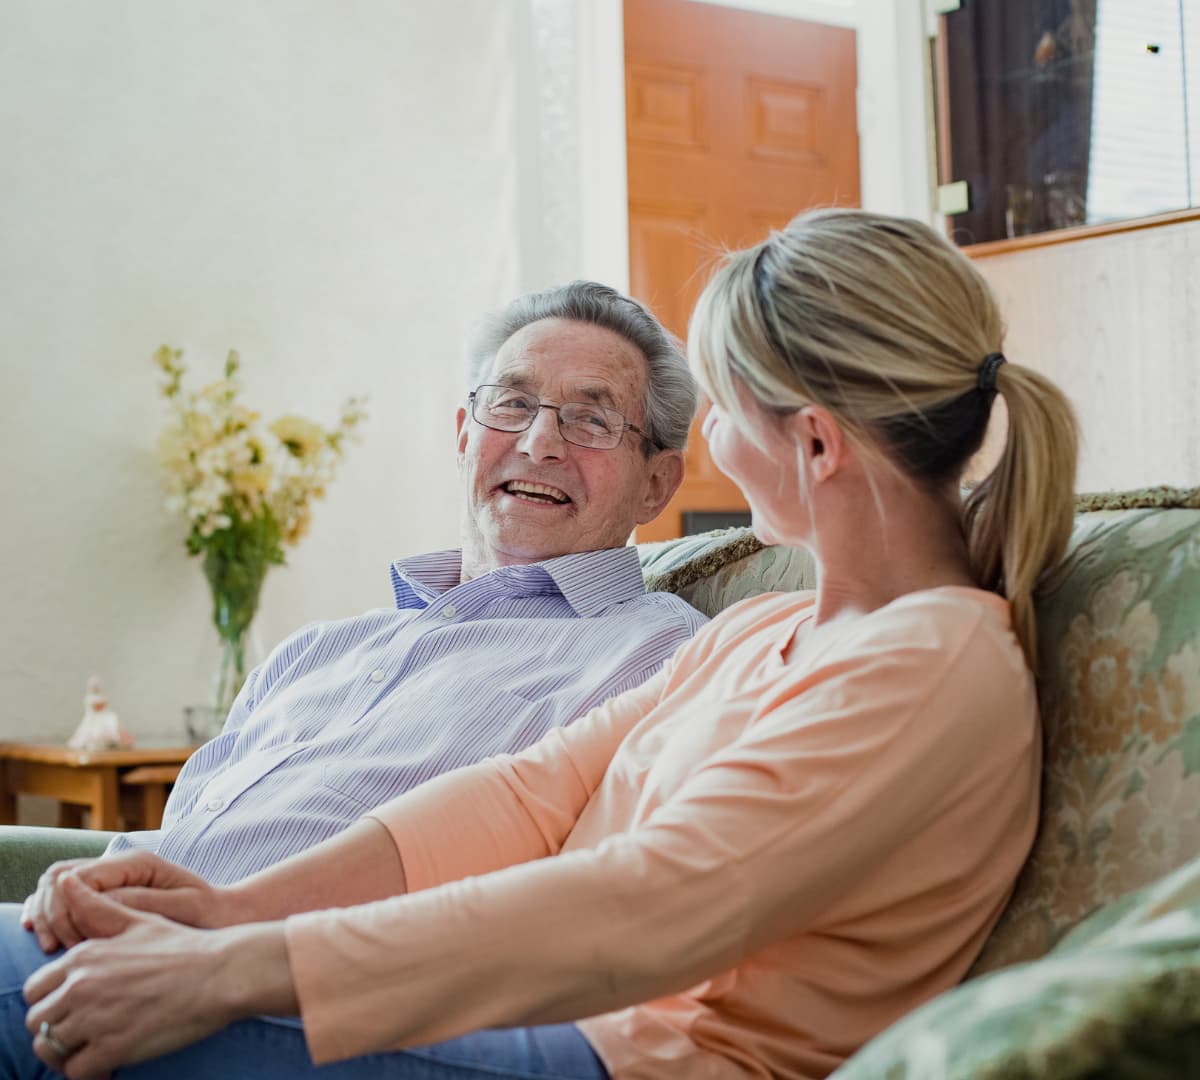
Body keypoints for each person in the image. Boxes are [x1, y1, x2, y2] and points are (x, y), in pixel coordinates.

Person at [0, 209, 1079, 1079]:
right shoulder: (767, 629)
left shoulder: (935, 663)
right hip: (557, 1030)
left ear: (812, 441)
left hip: (632, 1056)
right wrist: (230, 911)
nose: (707, 444)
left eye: (719, 411)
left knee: (26, 976)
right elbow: (524, 794)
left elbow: (656, 904)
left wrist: (235, 970)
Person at [39, 281, 708, 900]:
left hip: (290, 985)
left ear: (657, 484)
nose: (539, 443)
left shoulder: (660, 656)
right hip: (109, 932)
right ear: (463, 434)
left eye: (592, 420)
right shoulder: (314, 652)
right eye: (512, 403)